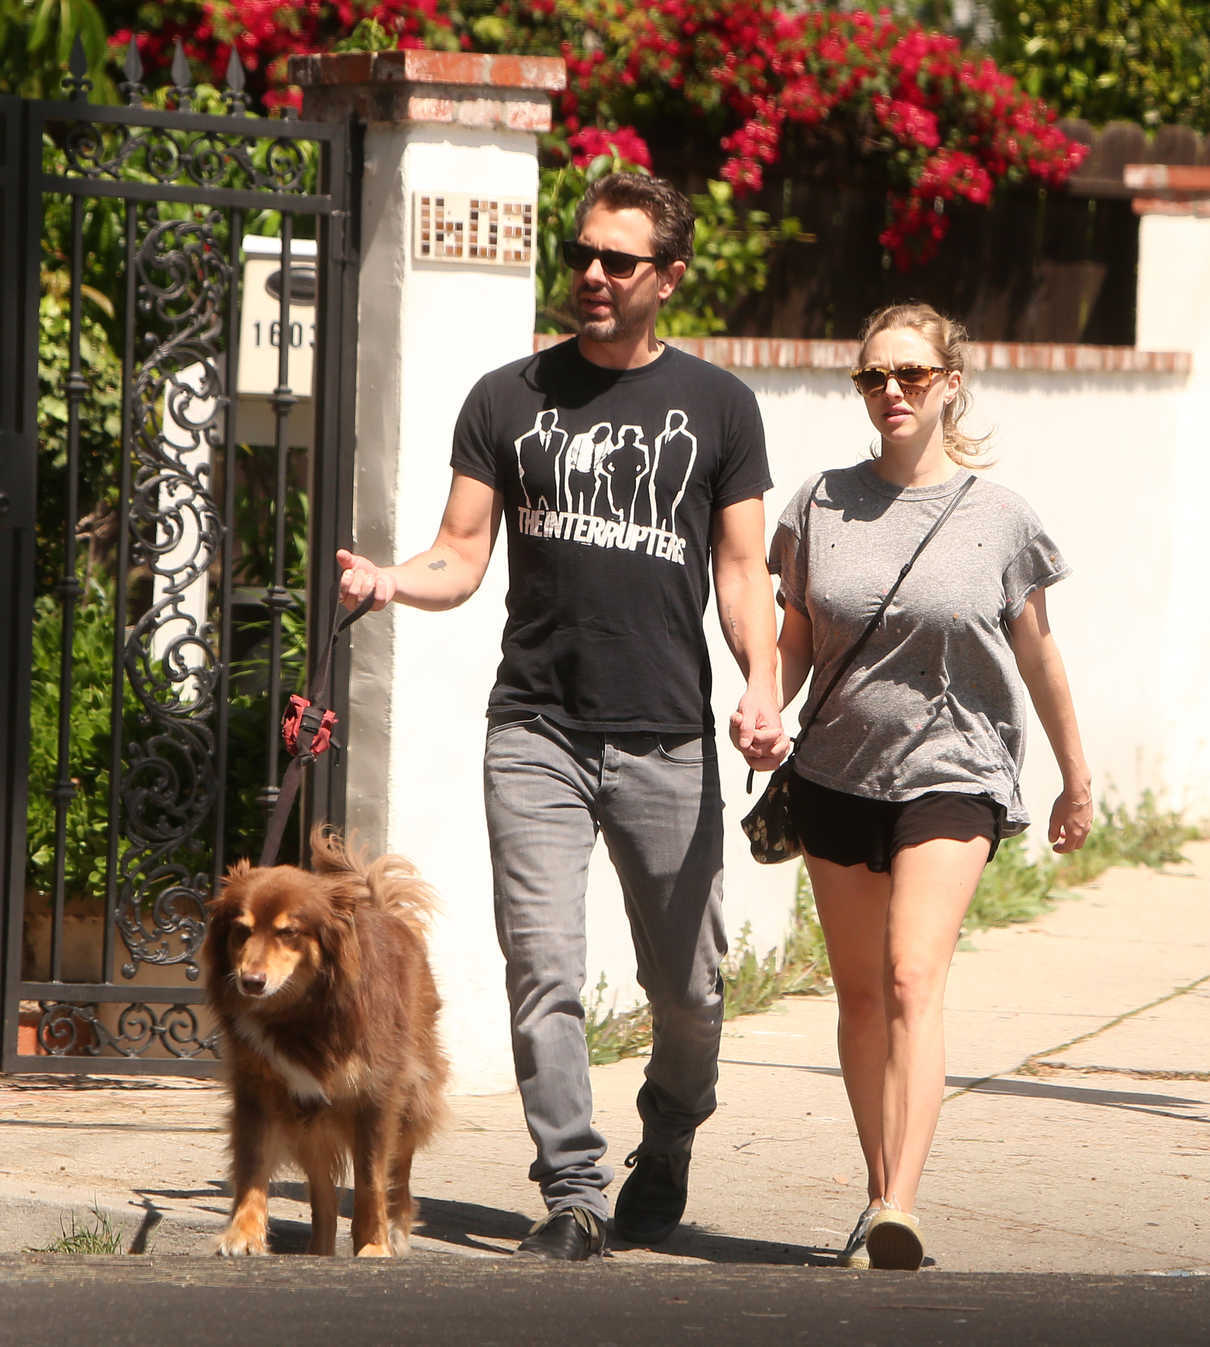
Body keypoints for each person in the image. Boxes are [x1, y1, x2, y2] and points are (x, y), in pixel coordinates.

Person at [337, 171, 783, 1261]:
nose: (590, 274)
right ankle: (573, 1190)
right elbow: (462, 551)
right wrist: (393, 580)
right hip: (535, 729)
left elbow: (740, 570)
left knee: (689, 990)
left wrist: (762, 683)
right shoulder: (506, 397)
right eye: (580, 254)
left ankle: (668, 1136)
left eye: (616, 261)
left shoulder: (718, 406)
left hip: (668, 735)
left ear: (664, 279)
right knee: (540, 965)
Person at [761, 301, 1092, 1272]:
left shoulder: (1001, 515)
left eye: (909, 374)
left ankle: (901, 1202)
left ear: (951, 382)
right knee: (860, 996)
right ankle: (876, 1191)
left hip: (956, 771)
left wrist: (1075, 778)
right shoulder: (817, 504)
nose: (890, 392)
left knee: (912, 975)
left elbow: (1038, 657)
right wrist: (763, 710)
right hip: (834, 770)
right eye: (872, 377)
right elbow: (793, 640)